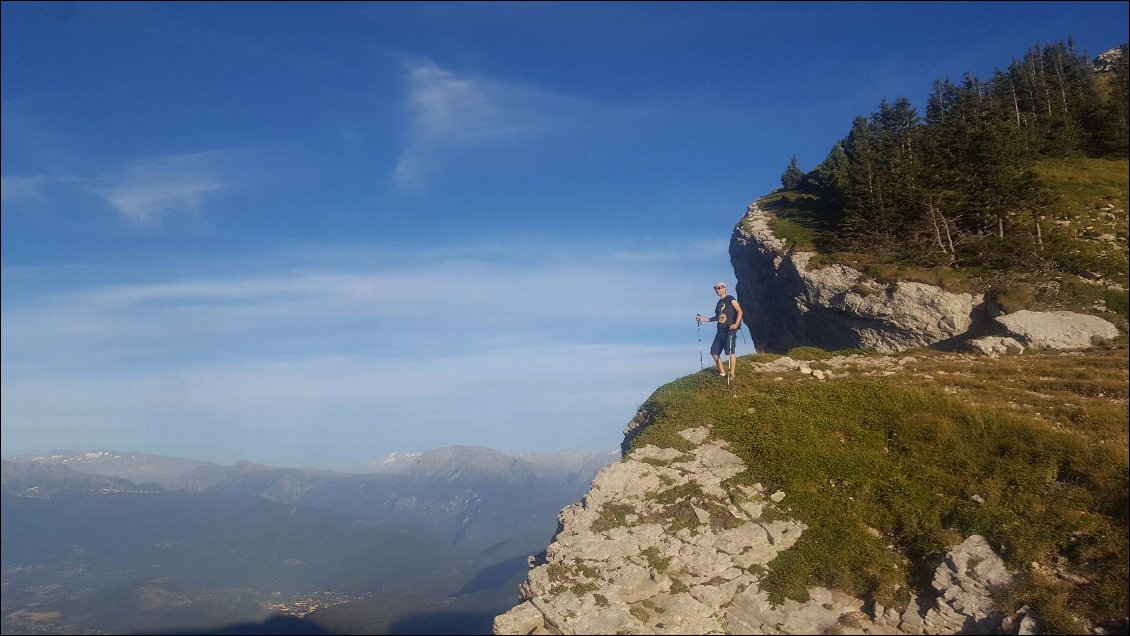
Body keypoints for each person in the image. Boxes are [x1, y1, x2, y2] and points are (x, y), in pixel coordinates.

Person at [697, 281, 743, 379]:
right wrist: (702, 319)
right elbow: (716, 317)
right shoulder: (719, 303)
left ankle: (732, 374)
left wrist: (736, 324)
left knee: (731, 351)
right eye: (715, 288)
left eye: (719, 288)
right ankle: (722, 373)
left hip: (729, 329)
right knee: (714, 352)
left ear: (724, 288)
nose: (717, 290)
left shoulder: (730, 298)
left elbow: (740, 311)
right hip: (720, 330)